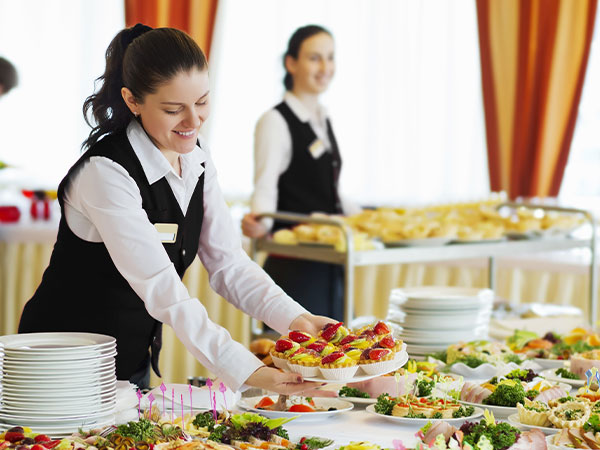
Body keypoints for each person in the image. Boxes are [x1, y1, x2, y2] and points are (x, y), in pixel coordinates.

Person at [18, 24, 334, 393]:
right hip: (59, 365)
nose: (194, 121)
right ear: (133, 100)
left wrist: (298, 320)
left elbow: (229, 264)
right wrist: (243, 370)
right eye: (173, 109)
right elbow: (162, 288)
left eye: (202, 102)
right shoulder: (106, 173)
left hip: (127, 363)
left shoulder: (197, 158)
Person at [242, 25, 360, 321]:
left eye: (330, 58)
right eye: (315, 58)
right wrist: (259, 219)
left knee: (342, 359)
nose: (325, 68)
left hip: (330, 263)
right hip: (296, 271)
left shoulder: (323, 119)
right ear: (291, 63)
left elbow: (326, 190)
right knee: (297, 362)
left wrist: (368, 216)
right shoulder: (275, 121)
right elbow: (265, 187)